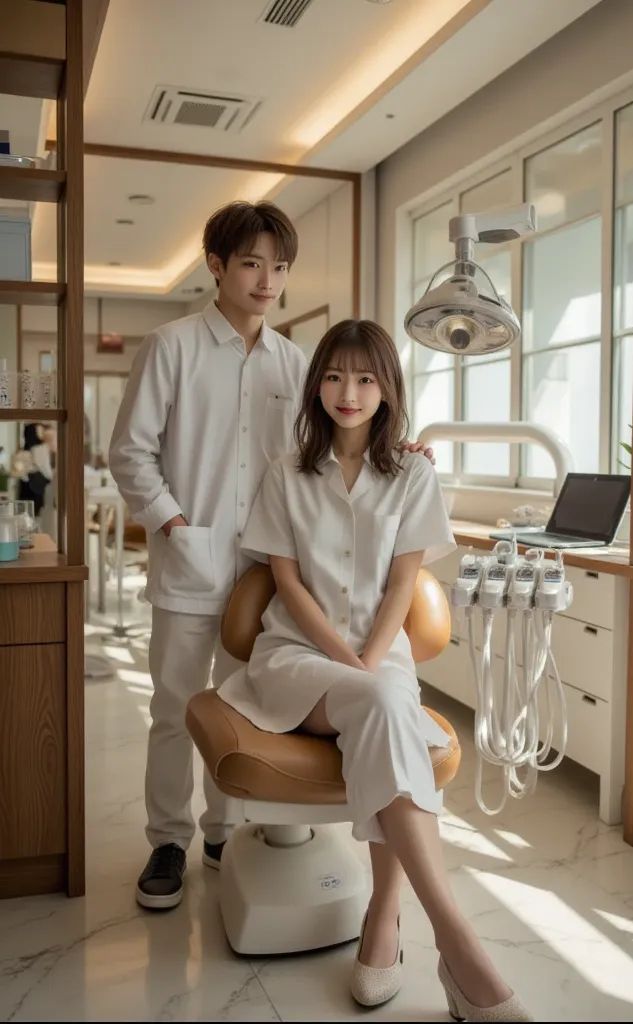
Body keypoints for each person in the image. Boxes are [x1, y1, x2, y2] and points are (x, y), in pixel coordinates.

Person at [108, 200, 433, 912]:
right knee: (174, 706)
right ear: (218, 266)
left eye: (278, 267)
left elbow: (327, 446)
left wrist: (400, 451)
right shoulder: (173, 346)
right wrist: (174, 522)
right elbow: (129, 450)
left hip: (273, 579)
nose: (266, 281)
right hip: (192, 563)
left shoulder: (295, 363)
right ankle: (167, 839)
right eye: (251, 263)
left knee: (247, 709)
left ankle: (222, 830)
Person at [218, 320, 532, 1022]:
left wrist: (369, 661)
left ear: (387, 387)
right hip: (298, 659)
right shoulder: (287, 472)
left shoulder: (413, 472)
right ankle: (457, 946)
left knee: (386, 709)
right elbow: (288, 585)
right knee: (387, 709)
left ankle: (384, 920)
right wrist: (348, 660)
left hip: (378, 660)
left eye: (364, 378)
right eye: (334, 376)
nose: (348, 392)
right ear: (316, 384)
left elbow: (402, 584)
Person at [13, 422, 53, 518]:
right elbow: (46, 471)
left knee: (23, 515)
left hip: (26, 485)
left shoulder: (26, 449)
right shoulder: (40, 448)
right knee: (32, 516)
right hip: (35, 487)